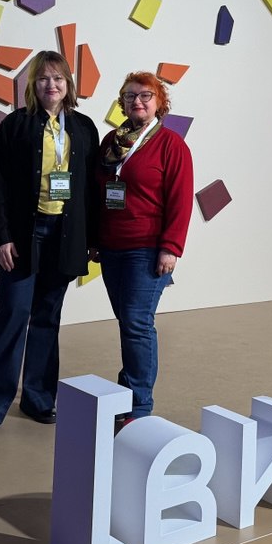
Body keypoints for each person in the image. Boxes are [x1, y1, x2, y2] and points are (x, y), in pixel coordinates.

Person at [0, 50, 99, 433]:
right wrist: (2, 237)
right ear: (33, 85)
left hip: (64, 236)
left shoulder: (84, 128)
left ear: (68, 84)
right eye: (43, 78)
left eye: (58, 78)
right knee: (12, 314)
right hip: (24, 236)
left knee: (47, 318)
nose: (51, 85)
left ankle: (39, 399)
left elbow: (91, 191)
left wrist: (92, 238)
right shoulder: (14, 126)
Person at [97, 71, 193, 424]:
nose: (137, 101)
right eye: (130, 96)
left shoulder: (171, 145)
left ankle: (138, 406)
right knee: (128, 321)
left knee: (137, 322)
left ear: (159, 103)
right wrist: (94, 240)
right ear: (121, 103)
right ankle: (129, 390)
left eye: (145, 95)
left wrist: (171, 248)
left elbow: (181, 200)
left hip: (148, 249)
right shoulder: (111, 141)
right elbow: (97, 193)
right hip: (112, 246)